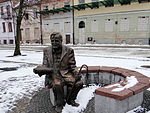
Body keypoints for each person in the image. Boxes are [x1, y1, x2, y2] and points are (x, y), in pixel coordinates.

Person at [34, 32, 83, 113]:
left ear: (61, 41)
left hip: (65, 73)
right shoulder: (46, 50)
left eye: (56, 41)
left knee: (79, 83)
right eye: (52, 41)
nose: (54, 43)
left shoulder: (69, 50)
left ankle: (70, 100)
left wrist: (76, 73)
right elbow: (45, 65)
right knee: (57, 84)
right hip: (52, 74)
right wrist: (40, 69)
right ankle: (59, 104)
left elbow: (72, 65)